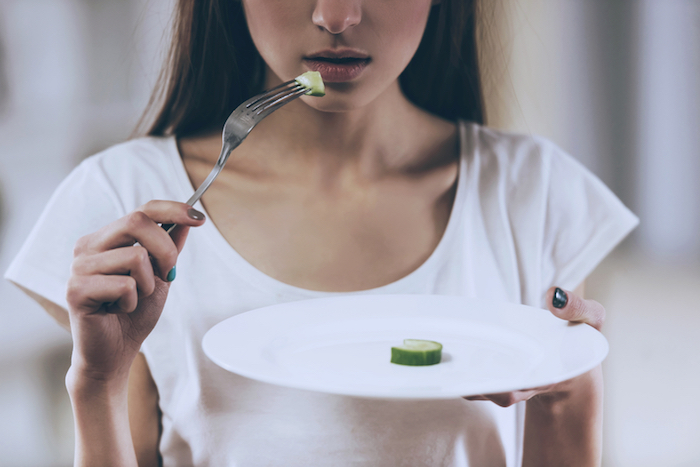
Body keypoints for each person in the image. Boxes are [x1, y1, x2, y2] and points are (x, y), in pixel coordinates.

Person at [5, 0, 638, 465]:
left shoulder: (534, 193)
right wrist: (97, 385)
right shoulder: (125, 200)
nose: (337, 15)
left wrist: (569, 392)